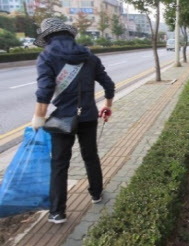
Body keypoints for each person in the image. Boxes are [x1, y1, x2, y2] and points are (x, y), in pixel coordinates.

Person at [31, 18, 115, 224]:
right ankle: (96, 194)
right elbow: (109, 85)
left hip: (62, 119)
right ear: (69, 34)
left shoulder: (46, 56)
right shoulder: (88, 56)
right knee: (90, 156)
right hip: (87, 116)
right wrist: (107, 106)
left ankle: (57, 212)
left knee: (59, 163)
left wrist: (38, 120)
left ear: (47, 37)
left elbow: (44, 93)